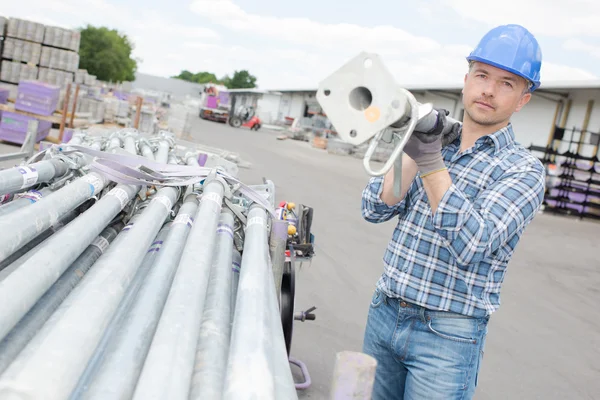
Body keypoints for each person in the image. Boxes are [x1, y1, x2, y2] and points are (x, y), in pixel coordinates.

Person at [360, 24, 545, 400]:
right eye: (482, 75)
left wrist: (429, 162)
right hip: (384, 311)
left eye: (507, 83)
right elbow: (375, 207)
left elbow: (471, 242)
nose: (489, 90)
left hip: (447, 336)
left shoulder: (523, 170)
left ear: (523, 99)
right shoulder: (436, 140)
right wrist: (414, 146)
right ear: (466, 80)